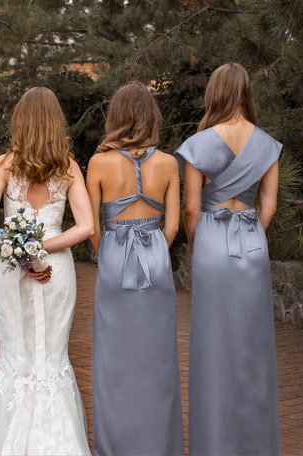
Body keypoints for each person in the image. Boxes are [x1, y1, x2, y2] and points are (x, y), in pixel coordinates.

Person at [0, 87, 94, 455]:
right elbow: (85, 227)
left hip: (12, 267)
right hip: (55, 267)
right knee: (50, 358)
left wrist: (20, 251)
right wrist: (43, 247)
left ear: (19, 122)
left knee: (16, 356)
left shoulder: (5, 165)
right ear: (57, 124)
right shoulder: (68, 168)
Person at [174, 62, 281, 455]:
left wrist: (200, 244)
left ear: (214, 94)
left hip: (211, 244)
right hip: (252, 245)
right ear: (246, 93)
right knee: (252, 350)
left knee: (212, 348)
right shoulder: (267, 144)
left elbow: (190, 210)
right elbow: (268, 206)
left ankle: (214, 444)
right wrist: (251, 234)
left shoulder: (199, 144)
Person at [86, 81, 184, 456]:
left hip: (113, 264)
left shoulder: (98, 162)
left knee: (114, 361)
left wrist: (109, 252)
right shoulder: (168, 163)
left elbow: (92, 227)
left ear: (117, 116)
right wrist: (155, 251)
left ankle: (116, 446)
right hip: (156, 263)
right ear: (150, 116)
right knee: (157, 360)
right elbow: (172, 226)